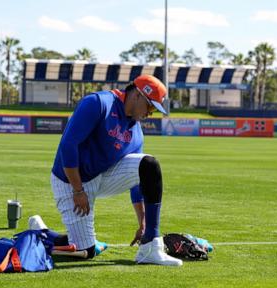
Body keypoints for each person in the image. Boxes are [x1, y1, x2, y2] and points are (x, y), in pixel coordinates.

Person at [50, 75, 182, 266]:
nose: (150, 113)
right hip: (70, 180)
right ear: (137, 95)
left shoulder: (136, 133)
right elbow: (68, 146)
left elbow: (138, 180)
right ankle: (41, 234)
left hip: (101, 176)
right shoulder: (98, 103)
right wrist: (78, 190)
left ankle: (150, 246)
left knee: (149, 165)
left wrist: (142, 222)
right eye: (150, 106)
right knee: (85, 250)